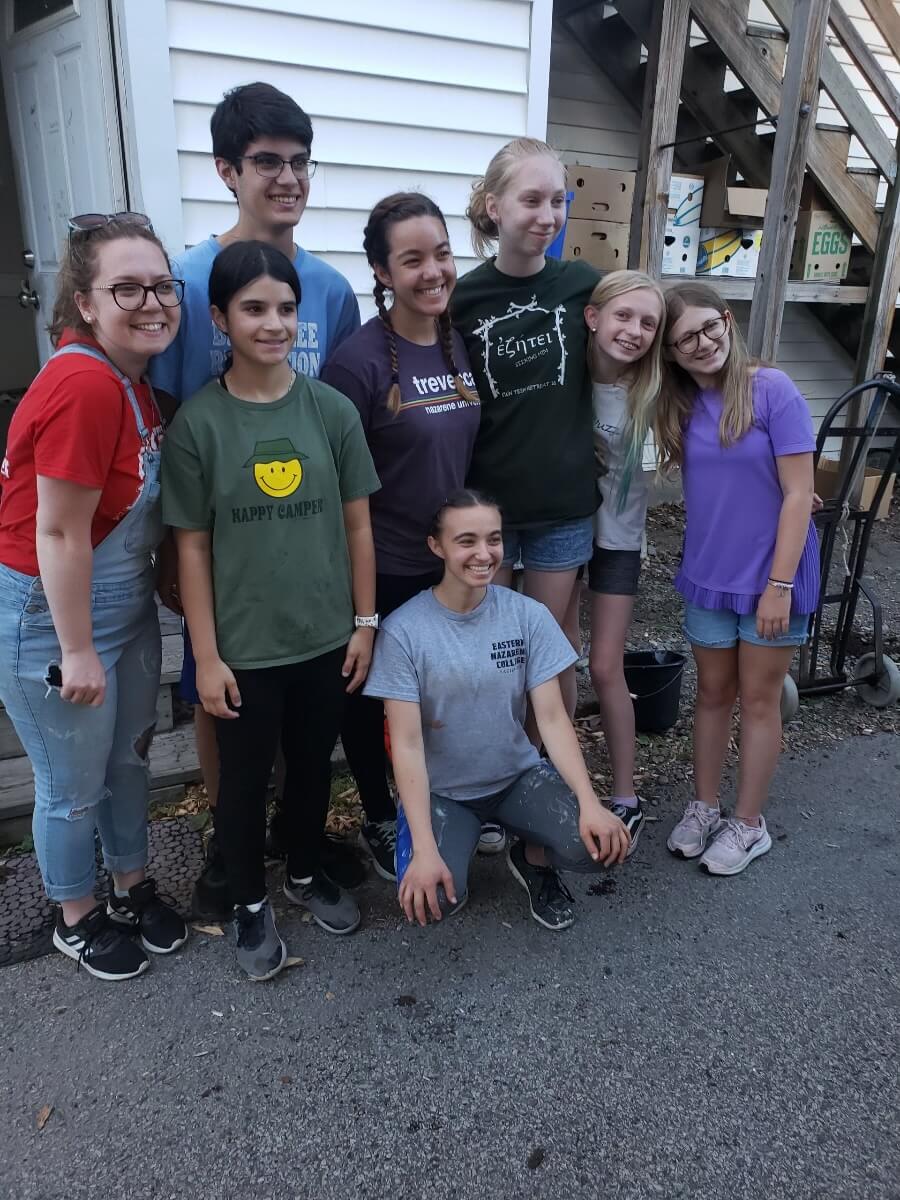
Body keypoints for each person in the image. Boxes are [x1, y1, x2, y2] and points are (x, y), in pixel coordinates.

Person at [150, 82, 362, 919]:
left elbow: (336, 411)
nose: (287, 178)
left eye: (300, 162)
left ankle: (295, 834)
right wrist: (170, 551)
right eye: (266, 161)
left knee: (303, 707)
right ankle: (228, 834)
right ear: (226, 170)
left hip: (305, 545)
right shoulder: (186, 280)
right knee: (223, 691)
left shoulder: (330, 291)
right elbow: (164, 411)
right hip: (218, 535)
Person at [160, 241, 379, 981]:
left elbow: (357, 525)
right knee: (245, 781)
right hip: (244, 647)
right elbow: (192, 548)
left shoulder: (331, 410)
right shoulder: (199, 424)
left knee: (313, 766)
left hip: (325, 634)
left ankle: (306, 869)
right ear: (221, 318)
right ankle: (249, 901)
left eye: (286, 308)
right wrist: (206, 655)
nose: (274, 323)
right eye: (254, 308)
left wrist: (365, 623)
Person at [0, 214, 188, 980]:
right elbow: (58, 534)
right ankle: (74, 915)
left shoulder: (132, 381)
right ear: (84, 301)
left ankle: (129, 886)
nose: (151, 302)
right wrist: (76, 649)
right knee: (72, 786)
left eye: (162, 286)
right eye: (126, 288)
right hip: (55, 618)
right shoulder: (83, 384)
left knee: (128, 760)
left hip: (122, 605)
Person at [364, 490, 630, 931]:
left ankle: (532, 857)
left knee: (600, 846)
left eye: (494, 539)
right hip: (444, 792)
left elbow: (552, 718)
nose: (484, 553)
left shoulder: (527, 615)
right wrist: (426, 849)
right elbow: (407, 745)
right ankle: (441, 842)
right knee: (433, 902)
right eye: (466, 541)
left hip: (516, 777)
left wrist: (590, 802)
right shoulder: (403, 632)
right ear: (436, 546)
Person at [320, 192, 481, 881]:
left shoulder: (456, 341)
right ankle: (380, 814)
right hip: (381, 566)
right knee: (371, 700)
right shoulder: (355, 364)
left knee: (441, 694)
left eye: (441, 253)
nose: (433, 271)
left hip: (448, 565)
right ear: (383, 273)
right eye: (412, 260)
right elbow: (336, 487)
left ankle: (444, 803)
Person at [657, 282, 819, 875]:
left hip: (773, 576)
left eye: (710, 326)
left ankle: (749, 824)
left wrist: (780, 585)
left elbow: (799, 493)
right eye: (685, 339)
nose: (703, 343)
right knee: (711, 694)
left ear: (728, 320)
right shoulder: (676, 407)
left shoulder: (771, 389)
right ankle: (705, 806)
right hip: (709, 573)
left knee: (758, 700)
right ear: (671, 353)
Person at [451, 138, 601, 722]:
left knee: (551, 645)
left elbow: (645, 335)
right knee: (495, 648)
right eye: (532, 200)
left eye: (558, 201)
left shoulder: (582, 285)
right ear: (495, 207)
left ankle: (547, 763)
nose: (548, 215)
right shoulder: (463, 299)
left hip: (562, 506)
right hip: (489, 509)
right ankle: (499, 757)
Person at [583, 270, 666, 852]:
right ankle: (542, 776)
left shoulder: (656, 390)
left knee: (605, 666)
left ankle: (626, 795)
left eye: (648, 323)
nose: (634, 331)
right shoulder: (565, 375)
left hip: (618, 542)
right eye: (623, 316)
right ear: (594, 317)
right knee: (552, 661)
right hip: (562, 533)